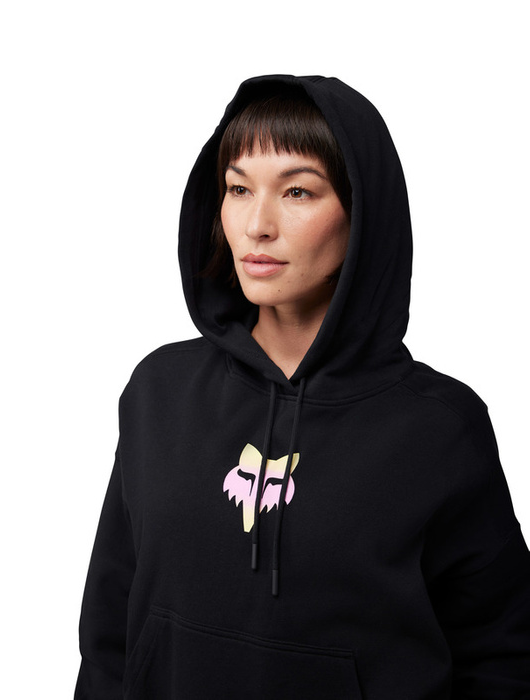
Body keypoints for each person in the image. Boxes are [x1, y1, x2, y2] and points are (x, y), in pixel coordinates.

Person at [74, 75, 530, 698]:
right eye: (238, 189)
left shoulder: (440, 427)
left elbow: (503, 658)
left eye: (297, 191)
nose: (257, 225)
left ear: (362, 213)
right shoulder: (159, 392)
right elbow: (109, 635)